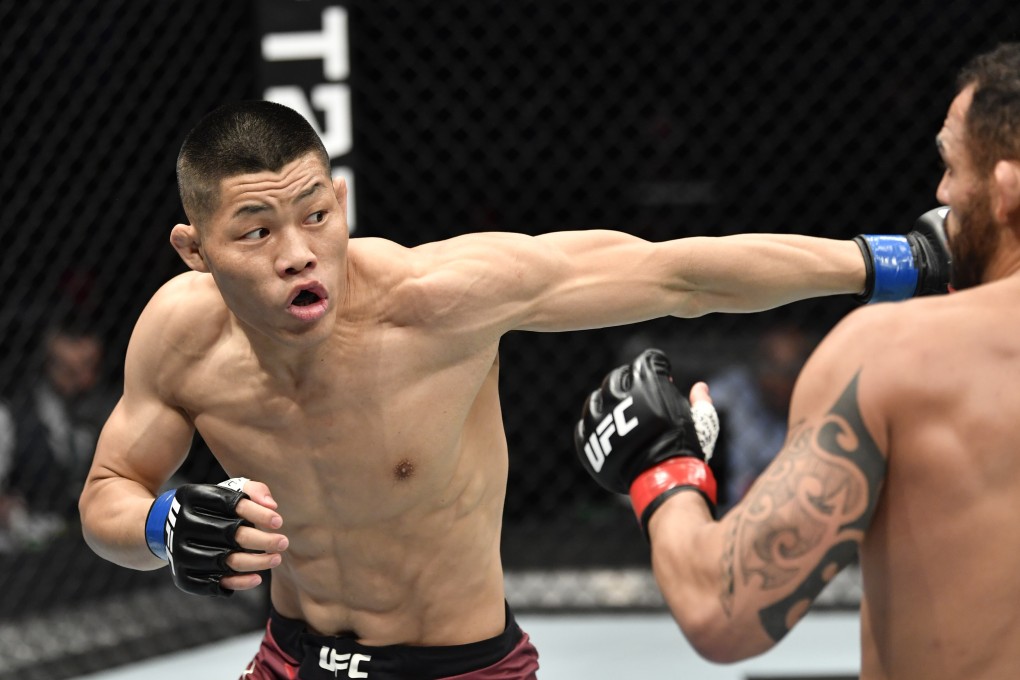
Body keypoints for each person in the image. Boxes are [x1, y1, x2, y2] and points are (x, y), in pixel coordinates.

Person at [77, 98, 947, 680]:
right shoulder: (180, 338)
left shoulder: (439, 301)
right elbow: (108, 492)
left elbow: (676, 274)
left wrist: (899, 262)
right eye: (256, 232)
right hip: (292, 660)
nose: (298, 253)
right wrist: (160, 526)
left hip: (464, 670)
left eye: (316, 215)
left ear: (341, 201)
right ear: (194, 251)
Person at [574, 42, 1020, 680]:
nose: (941, 193)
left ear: (1006, 189)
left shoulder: (893, 357)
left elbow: (719, 607)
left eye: (951, 166)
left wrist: (661, 468)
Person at [0, 321, 116, 551]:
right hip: (28, 543)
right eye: (71, 372)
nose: (84, 380)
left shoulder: (108, 410)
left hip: (93, 539)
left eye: (91, 367)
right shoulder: (11, 416)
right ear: (48, 364)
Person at [708, 324, 814, 508]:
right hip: (728, 509)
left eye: (790, 371)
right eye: (773, 367)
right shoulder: (728, 395)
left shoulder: (814, 401)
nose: (780, 380)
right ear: (757, 364)